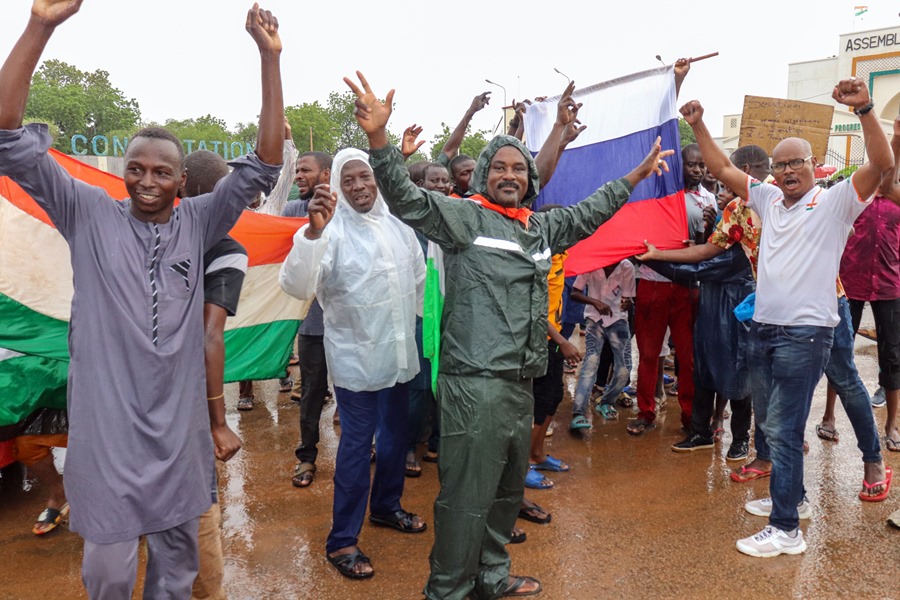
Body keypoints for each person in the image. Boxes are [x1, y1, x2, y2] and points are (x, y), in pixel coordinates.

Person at [345, 71, 674, 600]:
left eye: (518, 169)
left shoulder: (537, 228)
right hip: (473, 385)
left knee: (502, 492)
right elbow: (406, 199)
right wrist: (381, 142)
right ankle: (448, 589)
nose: (509, 175)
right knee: (465, 497)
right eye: (498, 167)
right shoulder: (461, 218)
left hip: (519, 383)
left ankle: (491, 576)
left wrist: (634, 177)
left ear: (530, 180)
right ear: (482, 177)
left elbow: (590, 213)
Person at [0, 2, 285, 596]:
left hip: (178, 437)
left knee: (176, 576)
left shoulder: (201, 223)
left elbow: (263, 164)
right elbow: (7, 137)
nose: (147, 182)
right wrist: (41, 26)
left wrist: (268, 58)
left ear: (182, 182)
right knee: (106, 574)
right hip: (106, 434)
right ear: (123, 171)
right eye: (137, 169)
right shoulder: (87, 212)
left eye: (162, 172)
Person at [679, 76, 894, 558]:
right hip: (763, 330)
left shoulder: (836, 201)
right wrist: (698, 124)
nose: (788, 171)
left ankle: (786, 530)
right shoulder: (768, 199)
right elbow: (720, 166)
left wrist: (864, 111)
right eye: (780, 165)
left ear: (812, 166)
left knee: (784, 424)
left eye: (797, 162)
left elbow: (882, 165)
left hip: (806, 334)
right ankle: (792, 501)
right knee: (778, 426)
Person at [279, 147, 427, 580]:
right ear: (337, 186)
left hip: (399, 357)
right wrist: (312, 234)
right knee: (357, 450)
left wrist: (422, 333)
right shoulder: (328, 230)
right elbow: (297, 285)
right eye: (349, 180)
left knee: (397, 439)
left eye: (365, 177)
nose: (360, 186)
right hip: (357, 362)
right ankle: (342, 539)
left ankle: (386, 507)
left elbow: (418, 282)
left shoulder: (397, 225)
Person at [179, 149, 246, 600]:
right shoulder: (226, 249)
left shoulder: (140, 229)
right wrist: (217, 421)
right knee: (197, 505)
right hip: (185, 404)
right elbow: (210, 336)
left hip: (127, 392)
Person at [569, 261, 635, 429]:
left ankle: (606, 401)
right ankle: (578, 412)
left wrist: (628, 304)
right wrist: (594, 302)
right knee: (590, 364)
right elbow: (575, 293)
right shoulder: (593, 263)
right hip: (594, 319)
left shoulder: (627, 267)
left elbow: (627, 299)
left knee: (624, 368)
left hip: (618, 319)